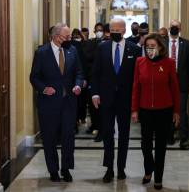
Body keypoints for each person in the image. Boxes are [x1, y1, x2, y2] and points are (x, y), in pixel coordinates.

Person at [30, 23, 83, 182]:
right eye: (66, 37)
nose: (69, 39)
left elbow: (79, 72)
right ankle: (53, 170)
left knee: (68, 137)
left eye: (69, 37)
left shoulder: (72, 50)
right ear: (55, 37)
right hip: (48, 104)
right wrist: (44, 88)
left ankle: (66, 169)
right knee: (49, 138)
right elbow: (34, 77)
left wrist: (78, 84)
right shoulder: (41, 53)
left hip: (68, 102)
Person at [91, 18, 141, 183]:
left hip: (125, 100)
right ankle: (109, 168)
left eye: (118, 31)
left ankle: (121, 168)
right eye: (112, 30)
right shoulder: (102, 48)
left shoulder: (134, 49)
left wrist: (136, 102)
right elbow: (96, 73)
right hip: (106, 98)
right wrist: (95, 94)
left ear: (124, 30)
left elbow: (137, 78)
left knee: (124, 135)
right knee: (107, 133)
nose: (115, 33)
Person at [131, 34, 180, 190]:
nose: (149, 49)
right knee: (145, 144)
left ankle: (158, 177)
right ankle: (148, 169)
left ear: (160, 47)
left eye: (153, 45)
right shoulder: (140, 62)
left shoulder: (169, 63)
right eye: (147, 46)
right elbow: (136, 87)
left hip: (164, 111)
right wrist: (134, 109)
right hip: (145, 110)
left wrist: (176, 111)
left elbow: (175, 89)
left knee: (160, 146)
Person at [166, 20, 189, 148]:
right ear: (169, 28)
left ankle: (184, 138)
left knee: (182, 110)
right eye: (172, 27)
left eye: (176, 27)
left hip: (182, 82)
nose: (174, 28)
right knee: (168, 110)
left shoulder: (187, 44)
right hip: (166, 82)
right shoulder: (162, 42)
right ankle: (169, 135)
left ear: (180, 28)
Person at [71, 28, 88, 128]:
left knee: (80, 101)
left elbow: (83, 63)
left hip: (77, 78)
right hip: (68, 79)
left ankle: (78, 120)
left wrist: (83, 78)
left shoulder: (77, 46)